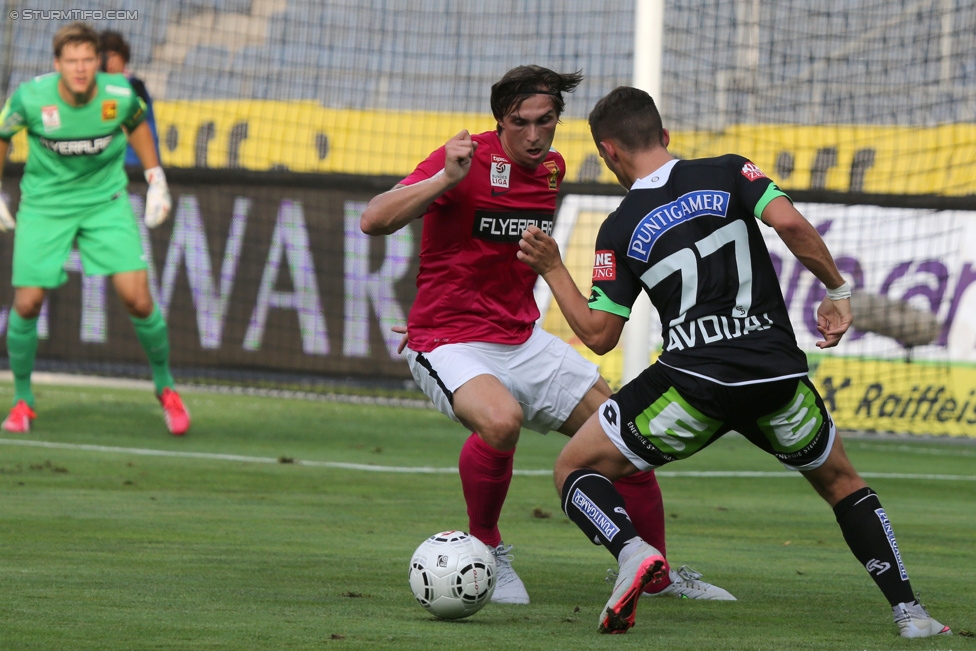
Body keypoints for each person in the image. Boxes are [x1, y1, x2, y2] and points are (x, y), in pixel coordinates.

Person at [517, 85, 952, 636]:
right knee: (842, 481)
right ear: (666, 137)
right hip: (777, 378)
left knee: (573, 468)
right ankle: (910, 613)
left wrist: (553, 267)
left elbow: (599, 336)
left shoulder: (619, 228)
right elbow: (791, 225)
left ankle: (632, 553)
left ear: (609, 153)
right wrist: (838, 291)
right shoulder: (731, 171)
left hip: (694, 388)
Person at [361, 66, 732, 605]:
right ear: (499, 122)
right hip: (450, 340)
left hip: (522, 339)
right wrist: (444, 177)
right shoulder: (463, 160)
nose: (534, 136)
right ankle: (488, 549)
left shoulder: (553, 168)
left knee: (626, 438)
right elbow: (374, 219)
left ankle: (656, 573)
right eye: (520, 123)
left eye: (546, 121)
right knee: (501, 420)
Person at [0, 22, 190, 436]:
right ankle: (22, 401)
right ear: (58, 64)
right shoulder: (31, 98)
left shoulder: (120, 94)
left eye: (88, 60)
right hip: (45, 207)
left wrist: (156, 177)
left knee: (138, 300)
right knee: (28, 303)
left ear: (96, 62)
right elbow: (2, 134)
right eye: (72, 61)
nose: (81, 69)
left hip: (106, 204)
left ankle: (167, 390)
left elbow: (138, 124)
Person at [98, 30, 159, 168]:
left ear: (123, 56)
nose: (110, 63)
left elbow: (127, 122)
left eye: (113, 56)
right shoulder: (101, 89)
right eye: (105, 58)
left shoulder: (134, 86)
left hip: (136, 164)